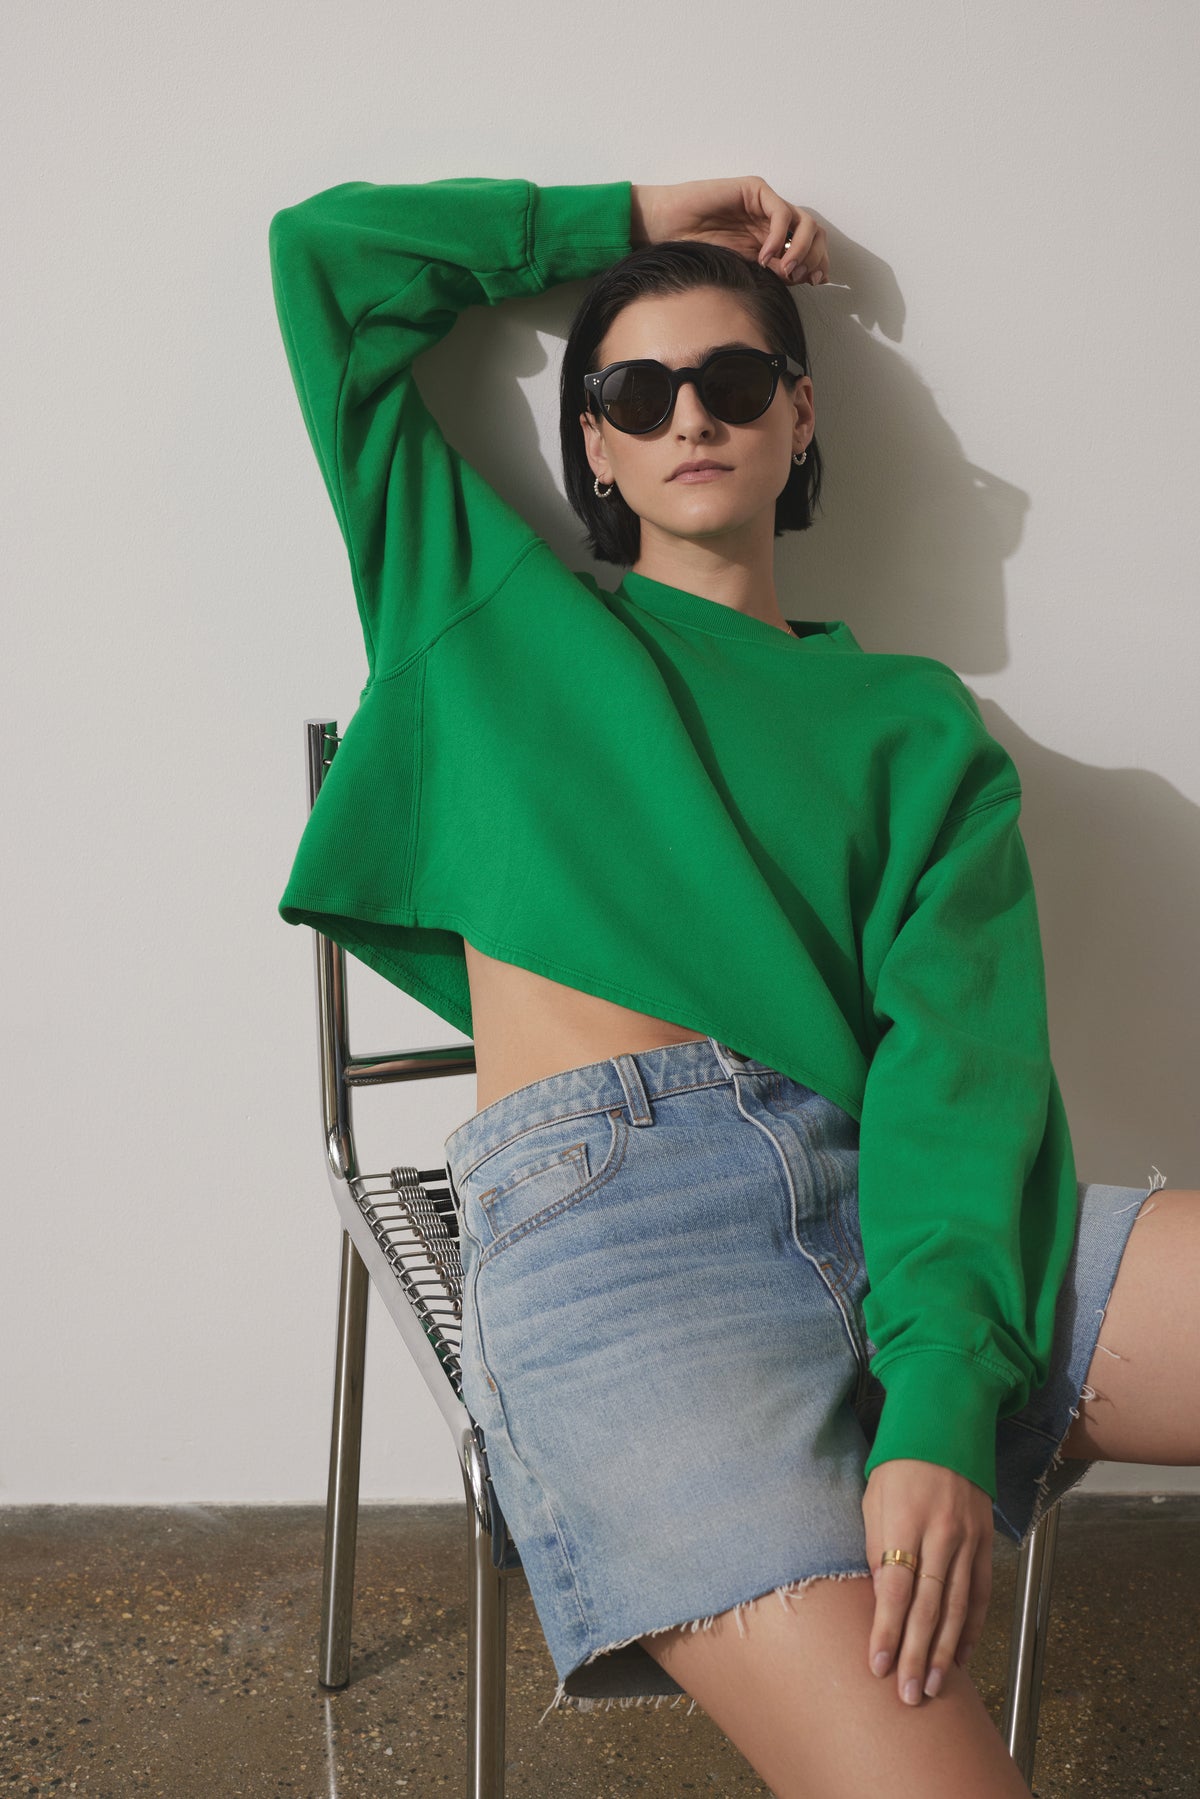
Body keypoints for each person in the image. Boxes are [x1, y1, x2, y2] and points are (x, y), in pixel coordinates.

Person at [267, 172, 1198, 1798]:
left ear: (799, 419)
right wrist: (632, 211)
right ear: (599, 453)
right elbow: (326, 266)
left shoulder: (916, 727)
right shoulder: (486, 615)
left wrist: (932, 1408)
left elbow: (955, 1079)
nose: (691, 413)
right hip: (617, 1240)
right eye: (636, 391)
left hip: (887, 1186)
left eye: (738, 380)